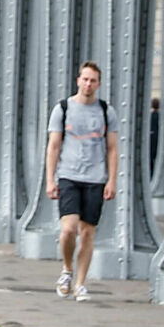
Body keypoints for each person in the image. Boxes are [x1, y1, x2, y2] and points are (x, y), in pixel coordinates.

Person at [44, 62, 120, 303]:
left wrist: (111, 181)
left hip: (95, 178)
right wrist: (50, 179)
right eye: (85, 79)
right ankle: (67, 270)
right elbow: (53, 146)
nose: (88, 84)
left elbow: (113, 149)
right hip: (68, 176)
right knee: (68, 229)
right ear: (78, 80)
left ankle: (80, 284)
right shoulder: (63, 108)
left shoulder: (106, 111)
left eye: (93, 80)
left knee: (87, 233)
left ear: (98, 84)